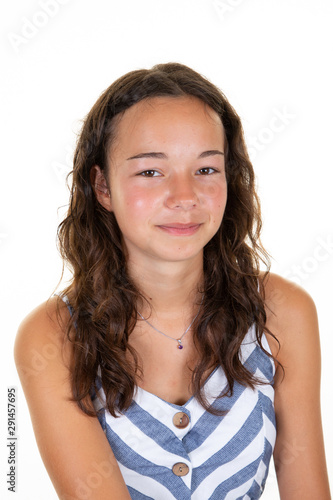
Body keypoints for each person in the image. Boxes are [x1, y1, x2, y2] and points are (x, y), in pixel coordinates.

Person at [14, 63, 331, 500]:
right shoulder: (53, 337)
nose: (185, 197)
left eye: (206, 170)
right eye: (150, 171)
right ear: (102, 187)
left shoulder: (283, 312)